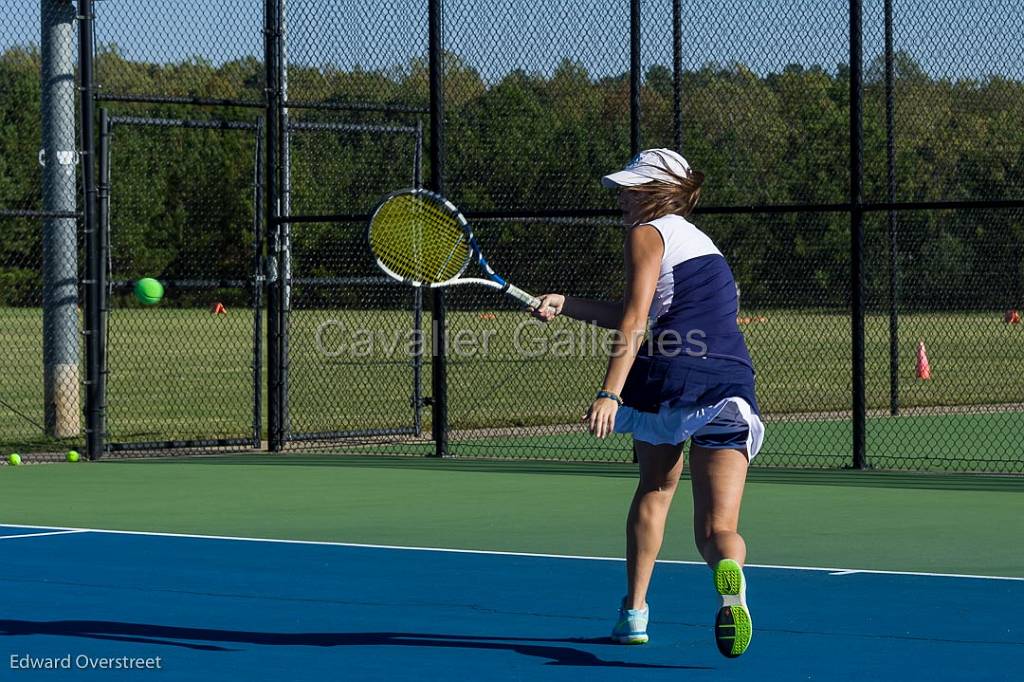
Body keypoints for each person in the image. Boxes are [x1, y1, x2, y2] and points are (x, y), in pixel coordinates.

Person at [532, 148, 764, 658]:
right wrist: (566, 303)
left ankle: (634, 614)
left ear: (656, 192)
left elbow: (637, 321)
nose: (622, 196)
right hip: (730, 379)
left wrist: (610, 391)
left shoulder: (648, 231)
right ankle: (731, 579)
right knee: (718, 529)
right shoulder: (702, 244)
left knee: (656, 489)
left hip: (669, 373)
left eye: (631, 187)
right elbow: (643, 310)